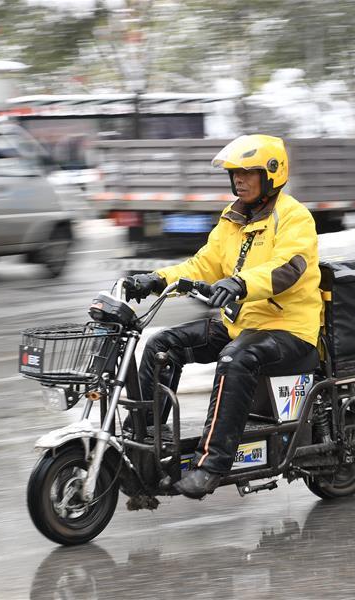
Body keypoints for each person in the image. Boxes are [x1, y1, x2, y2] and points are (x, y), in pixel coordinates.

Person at [123, 134, 322, 499]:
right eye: (234, 173)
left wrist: (240, 283)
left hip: (288, 329)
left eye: (248, 172)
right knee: (162, 344)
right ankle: (142, 444)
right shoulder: (233, 219)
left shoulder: (294, 217)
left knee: (235, 359)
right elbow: (204, 263)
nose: (239, 180)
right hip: (242, 324)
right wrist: (156, 279)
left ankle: (211, 466)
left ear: (272, 174)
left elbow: (289, 269)